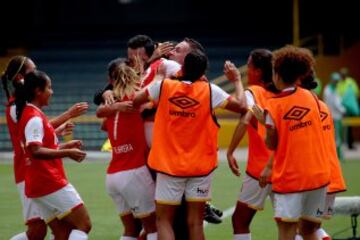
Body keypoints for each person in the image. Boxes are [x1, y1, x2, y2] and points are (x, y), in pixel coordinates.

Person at [133, 50, 248, 240]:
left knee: (163, 220)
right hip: (200, 167)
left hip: (169, 166)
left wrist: (159, 76)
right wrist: (236, 80)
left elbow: (136, 100)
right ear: (203, 72)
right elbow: (243, 107)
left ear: (182, 68)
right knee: (195, 222)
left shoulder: (163, 86)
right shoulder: (211, 90)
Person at [1, 56, 89, 240]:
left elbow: (36, 134)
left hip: (35, 172)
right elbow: (33, 139)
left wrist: (56, 135)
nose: (36, 72)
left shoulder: (23, 106)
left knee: (58, 231)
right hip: (32, 172)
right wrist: (67, 116)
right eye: (32, 70)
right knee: (38, 232)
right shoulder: (19, 107)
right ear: (21, 79)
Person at [252, 45, 330, 240]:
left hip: (291, 178)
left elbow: (272, 143)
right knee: (309, 231)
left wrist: (264, 123)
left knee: (287, 231)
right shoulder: (312, 97)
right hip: (319, 176)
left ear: (277, 74)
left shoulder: (273, 105)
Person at [96, 58, 157, 240]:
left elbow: (103, 123)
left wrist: (110, 99)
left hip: (113, 175)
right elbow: (155, 91)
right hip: (134, 172)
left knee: (130, 230)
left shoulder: (110, 102)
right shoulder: (136, 99)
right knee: (153, 228)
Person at [226, 49, 278, 240]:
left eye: (249, 65)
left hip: (260, 170)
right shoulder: (279, 93)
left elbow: (243, 115)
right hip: (283, 167)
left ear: (257, 71)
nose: (246, 69)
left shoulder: (253, 92)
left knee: (240, 221)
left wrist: (230, 152)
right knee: (291, 225)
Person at [296, 71, 347, 240]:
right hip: (331, 174)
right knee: (313, 228)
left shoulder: (302, 109)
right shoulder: (323, 106)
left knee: (302, 229)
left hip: (315, 178)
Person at [323, 72, 346, 161]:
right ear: (332, 80)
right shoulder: (330, 91)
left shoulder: (331, 89)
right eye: (335, 81)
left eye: (337, 81)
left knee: (335, 137)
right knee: (337, 138)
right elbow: (336, 104)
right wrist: (343, 110)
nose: (336, 82)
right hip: (334, 117)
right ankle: (338, 155)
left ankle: (336, 155)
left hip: (333, 116)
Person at [336, 67, 359, 149]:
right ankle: (341, 144)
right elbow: (337, 95)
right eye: (342, 75)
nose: (343, 76)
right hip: (341, 108)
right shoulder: (339, 83)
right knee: (341, 126)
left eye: (344, 75)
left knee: (349, 127)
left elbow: (356, 94)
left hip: (349, 109)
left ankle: (349, 144)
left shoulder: (350, 82)